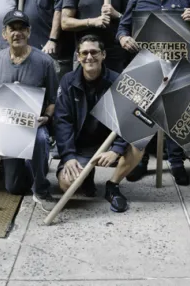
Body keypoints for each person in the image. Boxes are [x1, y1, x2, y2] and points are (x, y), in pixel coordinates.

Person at [116, 0, 190, 185]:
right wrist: (124, 38)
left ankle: (177, 164)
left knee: (174, 115)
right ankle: (140, 162)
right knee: (143, 115)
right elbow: (122, 28)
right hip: (146, 66)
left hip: (177, 67)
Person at [54, 34, 143, 212]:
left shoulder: (118, 81)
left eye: (94, 52)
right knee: (66, 185)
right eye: (84, 53)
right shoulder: (68, 82)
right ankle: (85, 175)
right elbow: (62, 121)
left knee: (140, 140)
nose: (89, 57)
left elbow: (129, 119)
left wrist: (116, 150)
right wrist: (68, 156)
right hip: (81, 147)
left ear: (103, 55)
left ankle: (113, 185)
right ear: (78, 56)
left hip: (108, 144)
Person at [0, 10, 58, 212]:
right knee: (14, 187)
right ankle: (30, 165)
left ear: (29, 32)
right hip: (7, 127)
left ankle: (41, 187)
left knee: (41, 140)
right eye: (12, 29)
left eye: (22, 29)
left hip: (34, 125)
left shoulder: (44, 62)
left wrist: (47, 117)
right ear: (4, 34)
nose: (17, 33)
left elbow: (52, 100)